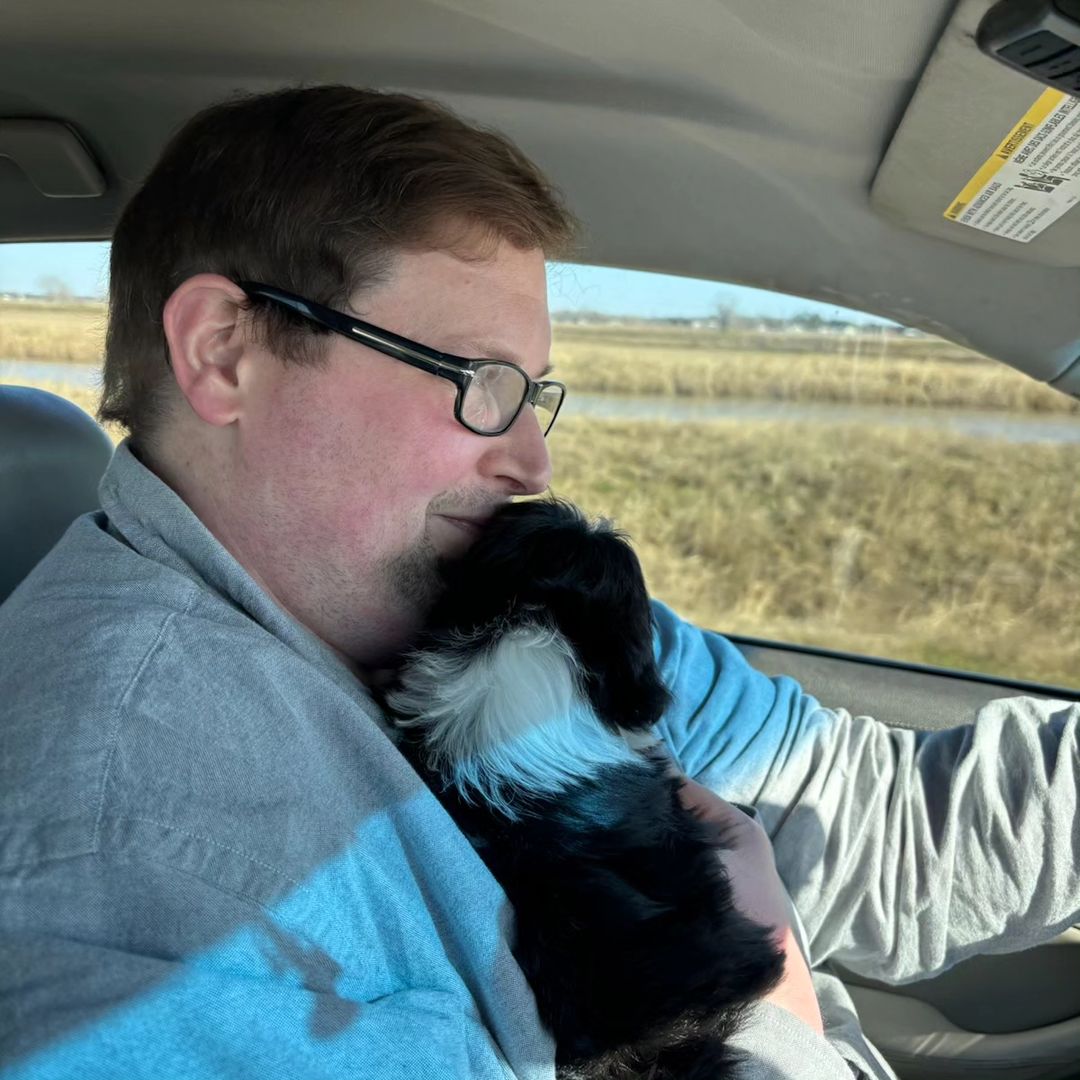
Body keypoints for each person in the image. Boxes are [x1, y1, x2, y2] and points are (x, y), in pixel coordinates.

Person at [0, 84, 1077, 1080]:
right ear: (226, 351)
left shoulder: (514, 604)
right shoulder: (130, 865)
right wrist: (753, 1006)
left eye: (532, 395)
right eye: (478, 382)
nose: (534, 462)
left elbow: (881, 829)